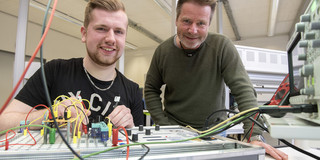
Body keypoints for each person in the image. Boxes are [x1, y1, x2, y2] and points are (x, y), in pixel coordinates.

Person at [144, 0, 288, 159]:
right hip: (173, 132)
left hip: (215, 131)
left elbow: (243, 90)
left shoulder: (221, 46)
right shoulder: (162, 52)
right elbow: (151, 89)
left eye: (201, 23)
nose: (193, 30)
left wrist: (253, 136)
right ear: (176, 19)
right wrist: (164, 124)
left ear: (209, 24)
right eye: (186, 21)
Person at [0, 0, 144, 132]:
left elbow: (141, 148)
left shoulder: (133, 91)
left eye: (118, 32)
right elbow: (3, 122)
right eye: (101, 28)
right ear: (84, 34)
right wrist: (51, 114)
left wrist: (131, 130)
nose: (111, 39)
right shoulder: (54, 71)